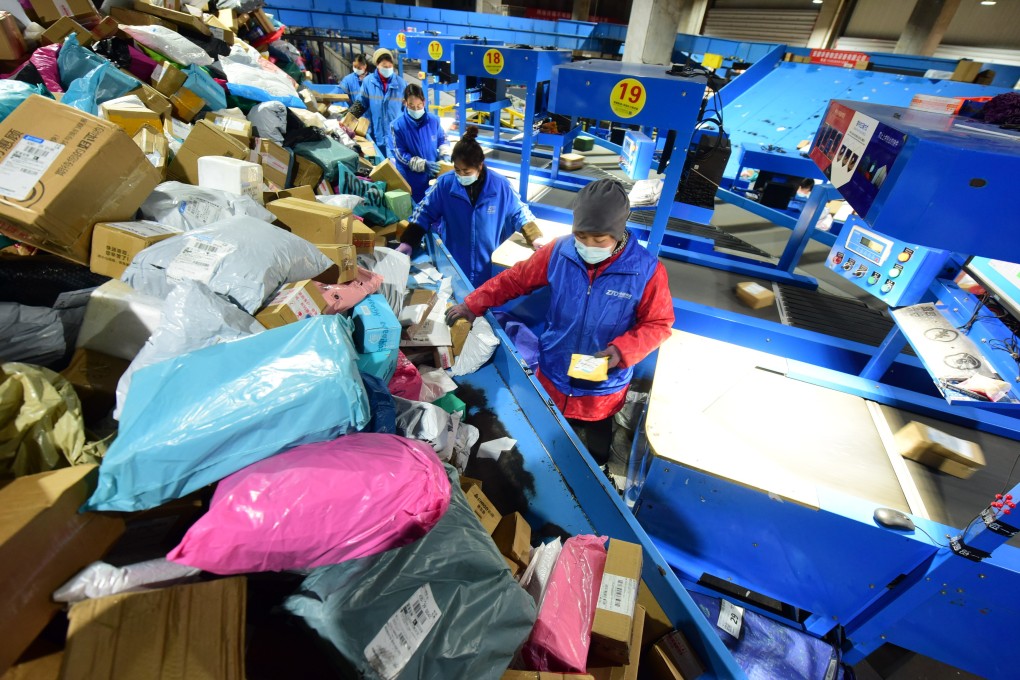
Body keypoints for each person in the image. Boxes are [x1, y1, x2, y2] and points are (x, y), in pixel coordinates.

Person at [445, 179, 674, 464]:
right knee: (541, 453)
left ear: (619, 232)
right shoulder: (560, 252)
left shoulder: (646, 271)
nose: (588, 246)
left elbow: (659, 323)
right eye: (581, 236)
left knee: (590, 461)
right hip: (553, 373)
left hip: (600, 392)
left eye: (599, 240)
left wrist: (621, 351)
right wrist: (472, 303)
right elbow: (515, 280)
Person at [396, 126, 538, 288]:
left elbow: (520, 211)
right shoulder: (445, 185)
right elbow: (424, 211)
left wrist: (534, 236)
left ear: (480, 166)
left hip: (488, 264)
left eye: (466, 171)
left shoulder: (500, 187)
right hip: (454, 265)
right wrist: (408, 241)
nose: (461, 176)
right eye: (457, 170)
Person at [389, 83, 452, 203]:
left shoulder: (433, 120)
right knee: (416, 209)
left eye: (419, 105)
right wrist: (422, 165)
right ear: (405, 103)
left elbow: (442, 138)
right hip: (411, 178)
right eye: (412, 106)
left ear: (424, 102)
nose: (416, 109)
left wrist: (445, 153)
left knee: (433, 205)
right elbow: (399, 154)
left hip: (432, 173)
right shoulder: (397, 125)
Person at [350, 47, 406, 159]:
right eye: (385, 66)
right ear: (377, 65)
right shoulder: (368, 82)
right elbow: (361, 104)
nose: (388, 69)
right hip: (376, 133)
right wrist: (348, 120)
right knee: (380, 164)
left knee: (395, 166)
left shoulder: (401, 84)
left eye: (390, 67)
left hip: (396, 135)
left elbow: (408, 109)